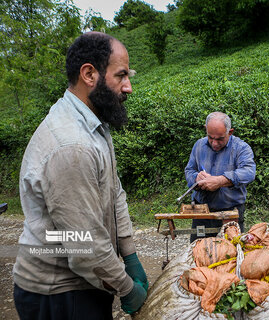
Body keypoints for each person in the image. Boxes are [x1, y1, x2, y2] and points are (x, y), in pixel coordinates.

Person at [13, 32, 148, 319]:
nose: (129, 87)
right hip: (59, 294)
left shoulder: (94, 124)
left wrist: (130, 254)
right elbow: (84, 244)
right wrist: (126, 288)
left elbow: (115, 192)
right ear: (89, 74)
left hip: (85, 282)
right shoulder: (71, 144)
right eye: (121, 76)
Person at [184, 112, 256, 242]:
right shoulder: (199, 146)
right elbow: (189, 170)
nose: (215, 143)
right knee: (199, 253)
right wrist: (196, 178)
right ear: (206, 128)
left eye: (220, 139)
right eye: (211, 137)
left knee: (231, 255)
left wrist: (221, 181)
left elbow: (249, 172)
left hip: (230, 213)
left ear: (230, 132)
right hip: (202, 212)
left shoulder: (241, 148)